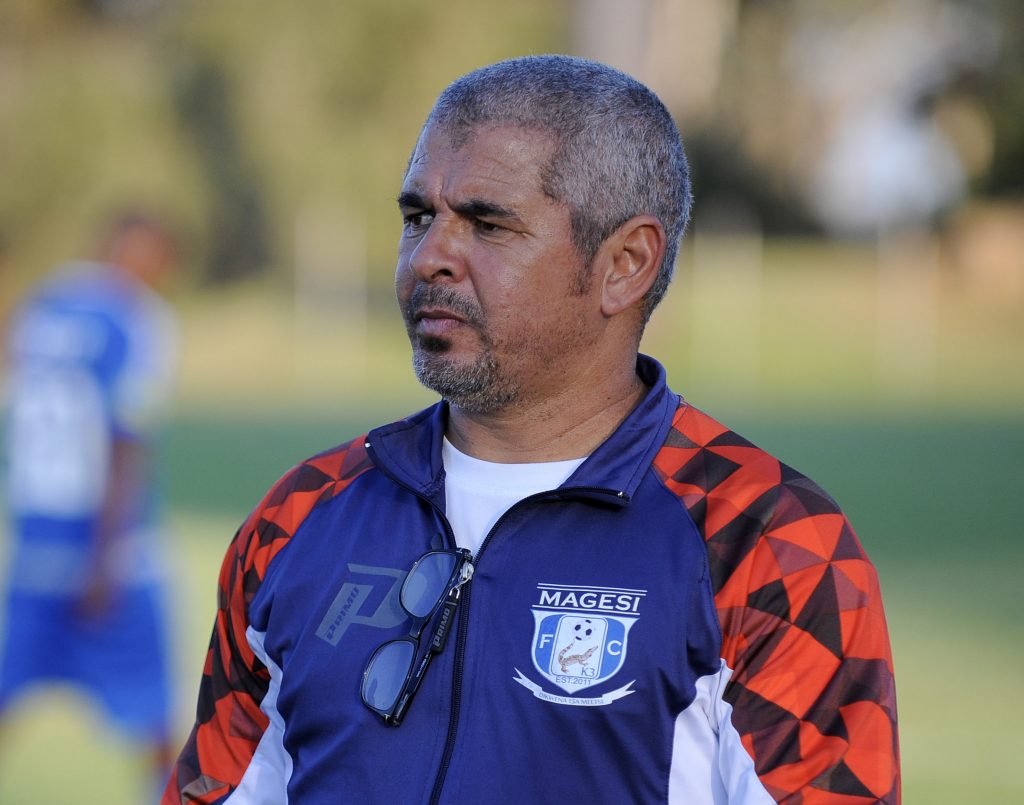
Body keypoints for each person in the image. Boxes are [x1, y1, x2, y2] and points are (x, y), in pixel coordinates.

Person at [163, 56, 899, 804]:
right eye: (418, 217)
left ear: (625, 264)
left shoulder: (769, 543)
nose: (430, 258)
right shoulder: (301, 515)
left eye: (487, 223)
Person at [0, 212, 179, 795]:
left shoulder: (43, 304)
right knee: (153, 715)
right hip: (109, 556)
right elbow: (124, 442)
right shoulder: (133, 316)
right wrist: (106, 555)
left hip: (33, 548)